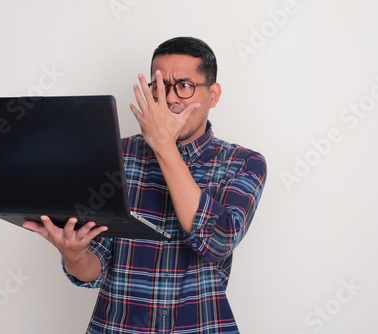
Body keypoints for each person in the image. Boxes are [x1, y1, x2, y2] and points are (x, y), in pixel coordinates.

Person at [23, 36, 267, 334]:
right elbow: (95, 268)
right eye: (160, 87)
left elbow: (216, 242)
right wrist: (74, 254)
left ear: (213, 95)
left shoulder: (243, 163)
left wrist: (163, 146)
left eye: (185, 86)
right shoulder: (115, 155)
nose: (171, 98)